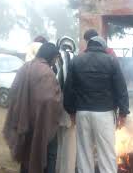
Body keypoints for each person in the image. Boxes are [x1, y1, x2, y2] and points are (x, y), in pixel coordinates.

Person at [64, 36, 130, 173]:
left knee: (84, 153)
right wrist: (123, 113)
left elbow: (68, 89)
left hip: (82, 113)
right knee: (106, 154)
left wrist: (71, 111)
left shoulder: (76, 60)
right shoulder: (111, 60)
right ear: (103, 47)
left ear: (89, 46)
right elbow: (121, 89)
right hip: (104, 114)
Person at [3, 43, 62, 173]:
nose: (55, 62)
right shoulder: (47, 73)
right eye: (55, 58)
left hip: (23, 122)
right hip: (41, 124)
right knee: (49, 154)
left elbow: (13, 92)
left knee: (26, 154)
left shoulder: (24, 67)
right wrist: (59, 96)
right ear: (51, 57)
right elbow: (49, 100)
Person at [54, 36, 77, 173]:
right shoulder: (76, 58)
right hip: (70, 104)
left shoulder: (55, 57)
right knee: (70, 143)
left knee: (59, 140)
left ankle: (57, 168)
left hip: (55, 102)